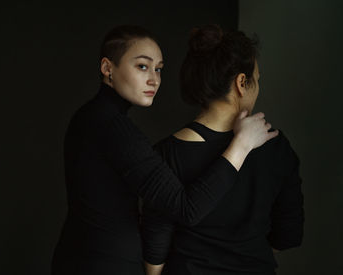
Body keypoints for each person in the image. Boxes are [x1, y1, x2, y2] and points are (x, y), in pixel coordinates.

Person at [51, 25, 278, 275]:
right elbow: (186, 208)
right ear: (107, 68)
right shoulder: (112, 127)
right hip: (104, 264)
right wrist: (242, 145)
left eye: (158, 69)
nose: (154, 79)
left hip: (79, 257)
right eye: (142, 66)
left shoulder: (89, 116)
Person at [142, 25, 304, 275]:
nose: (257, 88)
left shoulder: (166, 153)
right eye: (257, 80)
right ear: (242, 83)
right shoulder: (277, 147)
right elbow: (288, 234)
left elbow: (155, 248)